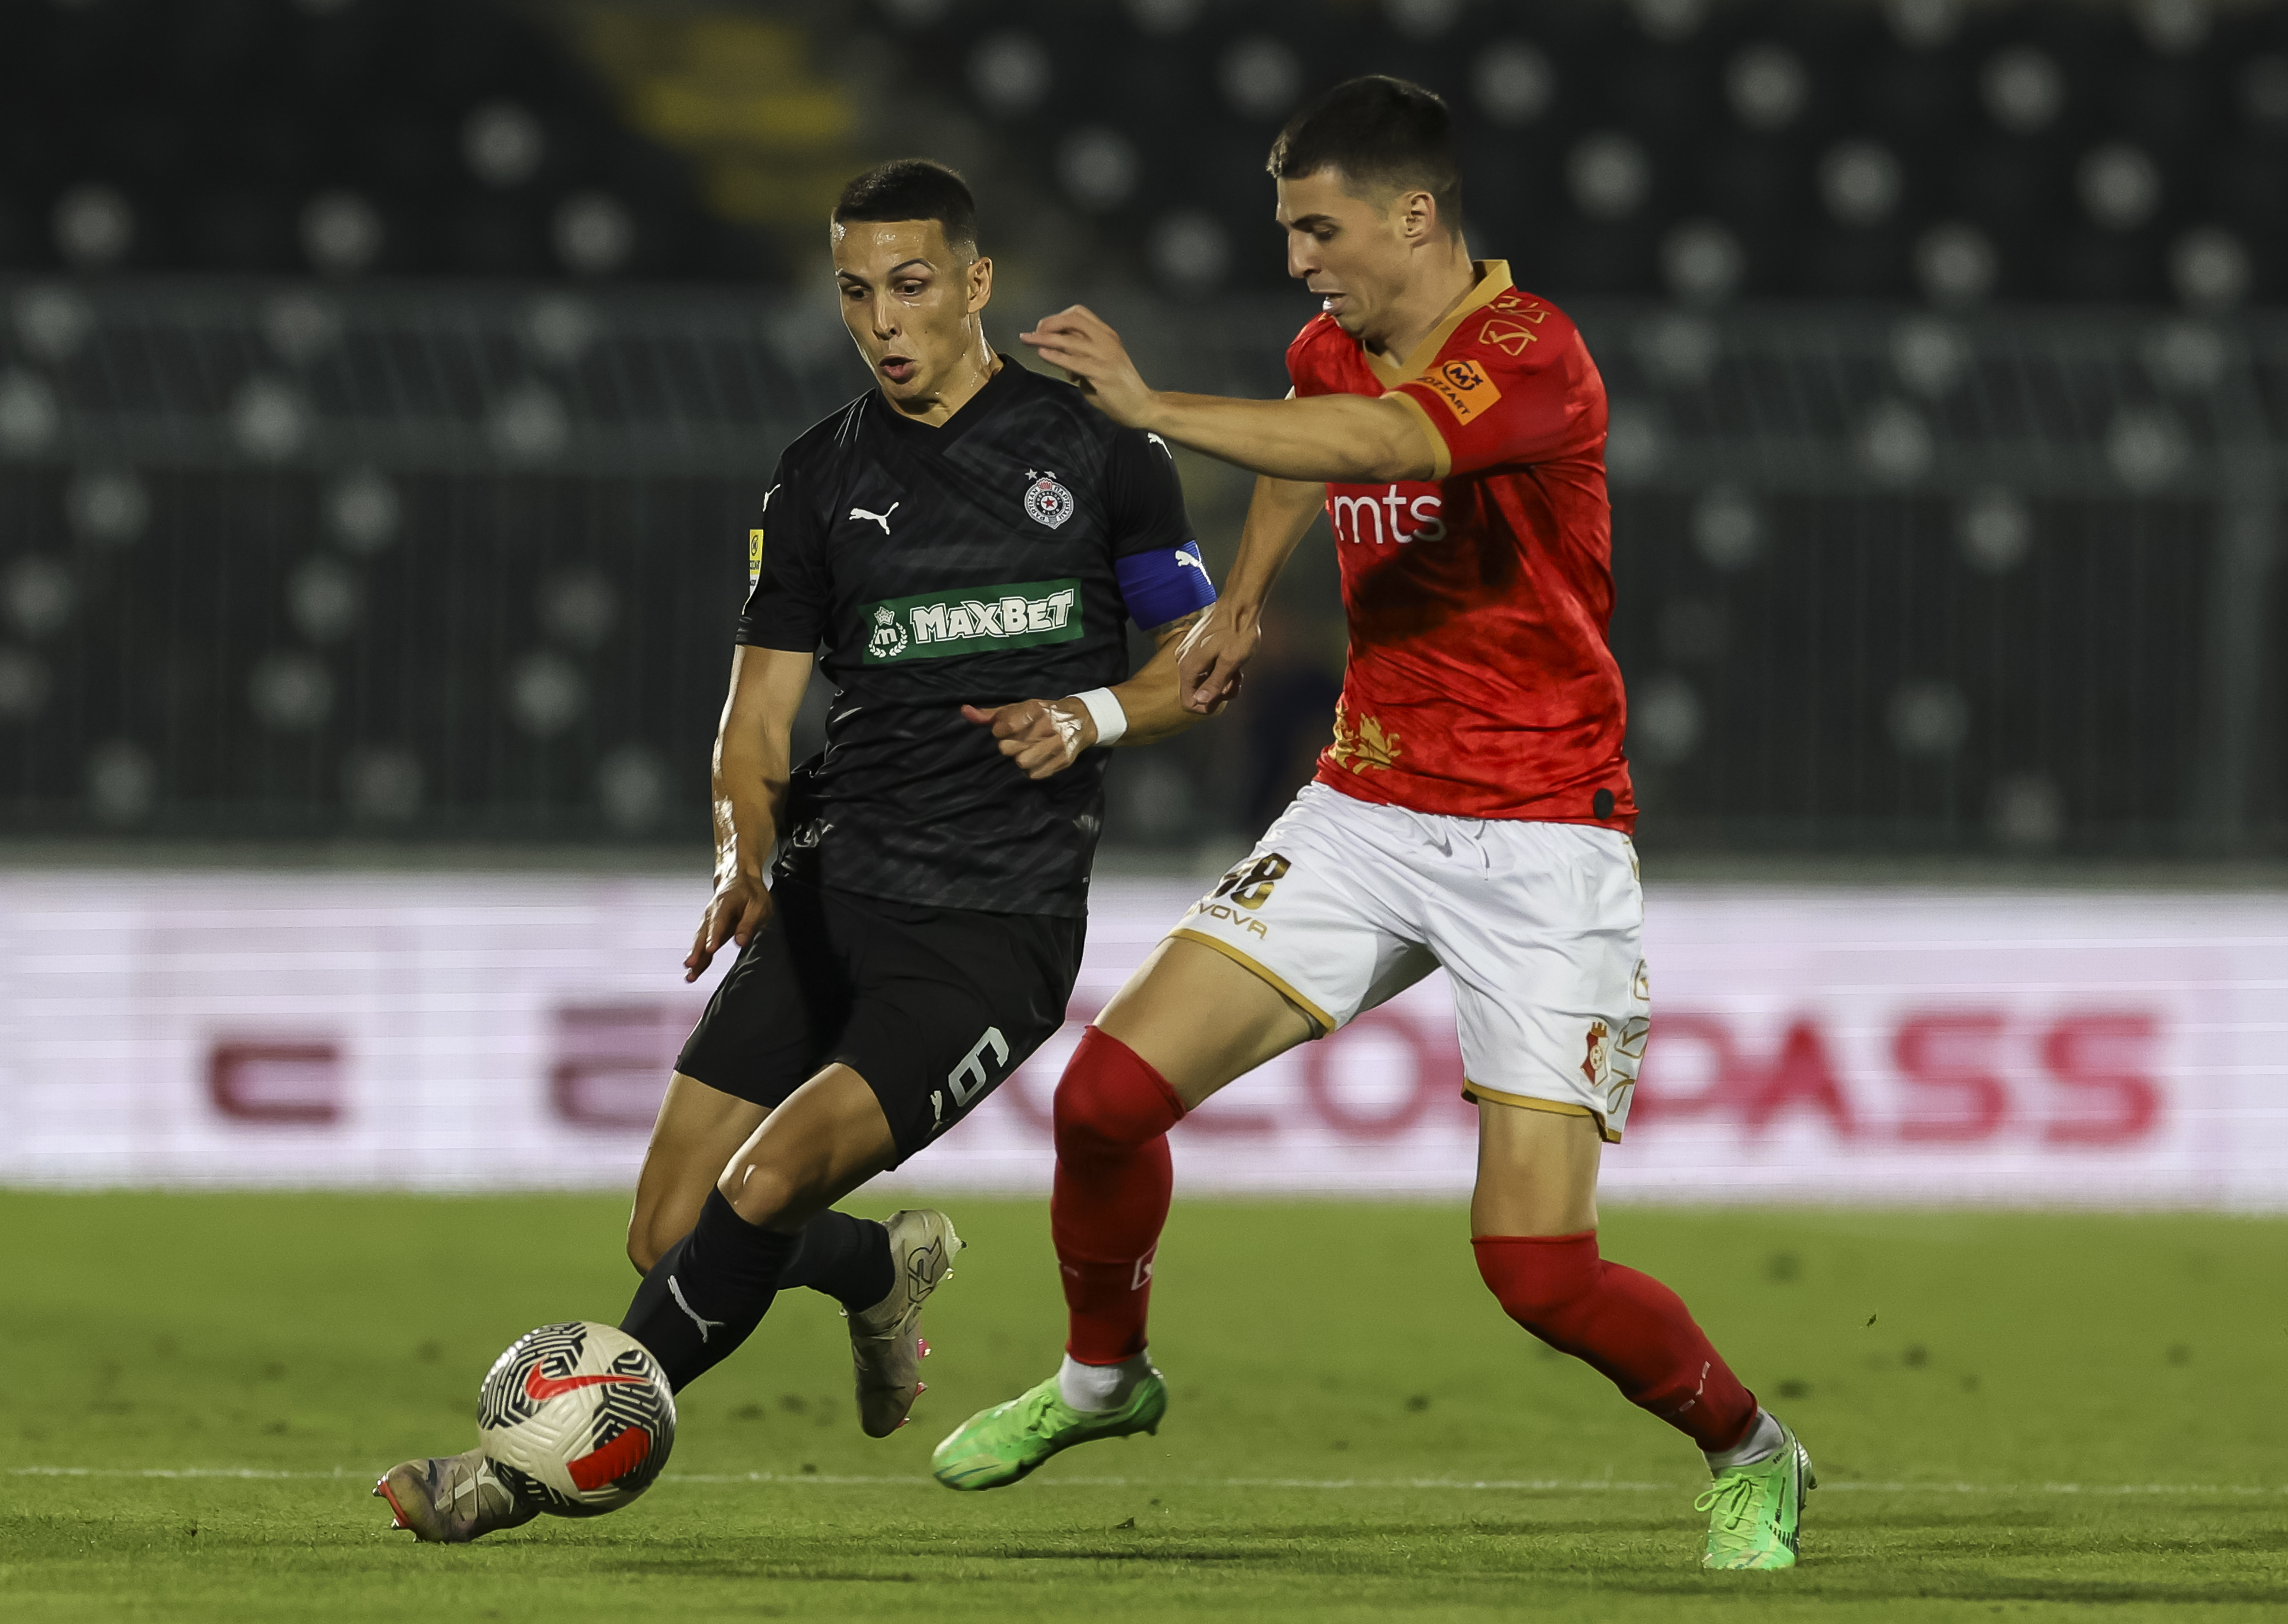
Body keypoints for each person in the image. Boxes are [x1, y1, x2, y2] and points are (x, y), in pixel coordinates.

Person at [929, 78, 1813, 1572]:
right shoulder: (1325, 345)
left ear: (1414, 214)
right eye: (1287, 230)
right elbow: (1301, 440)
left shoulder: (1536, 357)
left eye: (1315, 228)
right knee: (1102, 1103)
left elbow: (1386, 448)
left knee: (1533, 1268)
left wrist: (1147, 410)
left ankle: (1748, 1446)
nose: (1297, 259)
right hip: (1366, 807)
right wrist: (1248, 593)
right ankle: (1101, 1377)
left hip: (1541, 837)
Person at [375, 158, 1221, 1543]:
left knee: (756, 1186)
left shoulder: (1099, 453)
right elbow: (756, 718)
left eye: (910, 286)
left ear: (974, 283)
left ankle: (520, 1476)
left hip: (989, 929)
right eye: (854, 292)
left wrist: (1095, 712)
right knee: (670, 1229)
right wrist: (738, 856)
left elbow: (1199, 661)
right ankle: (874, 1268)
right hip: (834, 897)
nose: (883, 321)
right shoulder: (820, 476)